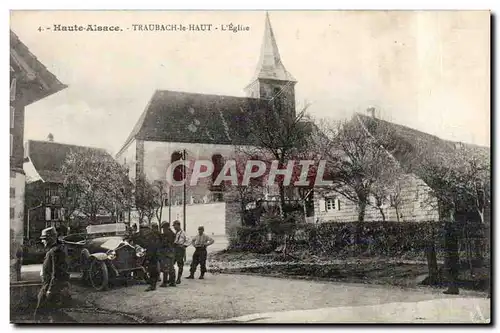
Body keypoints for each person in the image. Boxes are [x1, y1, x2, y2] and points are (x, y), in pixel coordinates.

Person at [34, 227, 71, 323]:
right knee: (52, 313)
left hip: (50, 287)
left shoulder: (55, 251)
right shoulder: (55, 249)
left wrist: (50, 290)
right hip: (50, 286)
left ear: (50, 238)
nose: (42, 241)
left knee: (42, 313)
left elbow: (56, 273)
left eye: (44, 239)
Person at [138, 222, 162, 292]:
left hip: (153, 254)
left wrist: (149, 256)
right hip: (154, 254)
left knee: (152, 270)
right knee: (153, 269)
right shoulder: (150, 235)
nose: (143, 230)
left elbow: (152, 247)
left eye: (144, 229)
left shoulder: (151, 236)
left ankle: (152, 285)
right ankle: (153, 284)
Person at [159, 221, 176, 287]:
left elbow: (164, 243)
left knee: (165, 267)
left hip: (166, 252)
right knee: (171, 267)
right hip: (172, 252)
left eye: (163, 228)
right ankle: (172, 282)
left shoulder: (166, 234)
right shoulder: (172, 233)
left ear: (165, 227)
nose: (163, 229)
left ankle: (165, 283)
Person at [172, 220, 190, 284]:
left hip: (180, 249)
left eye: (175, 225)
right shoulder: (175, 233)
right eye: (173, 226)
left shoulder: (183, 233)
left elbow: (189, 240)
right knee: (172, 263)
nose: (174, 227)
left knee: (180, 264)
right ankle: (172, 279)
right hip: (174, 249)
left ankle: (178, 279)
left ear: (178, 225)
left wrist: (184, 246)